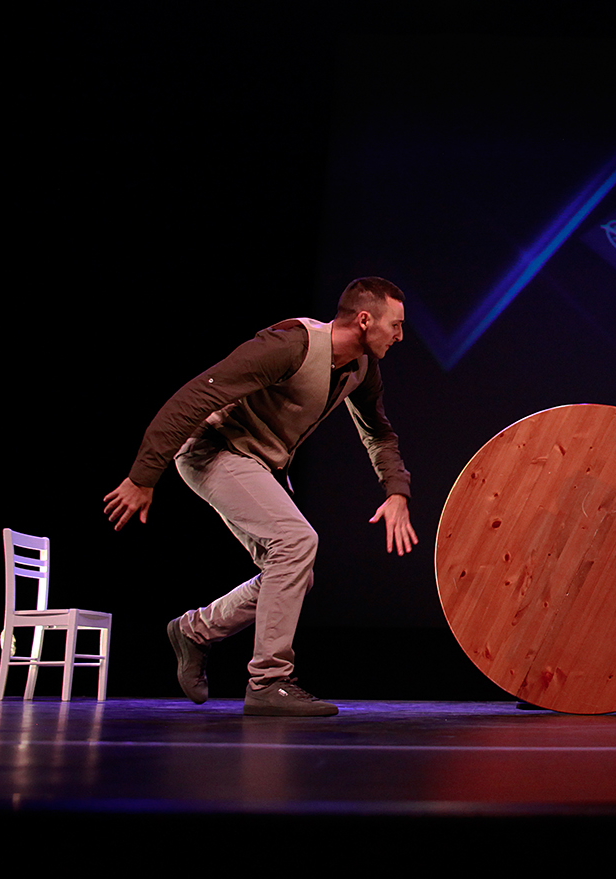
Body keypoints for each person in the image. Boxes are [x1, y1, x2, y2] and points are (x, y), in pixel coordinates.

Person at [103, 278, 418, 717]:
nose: (400, 336)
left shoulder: (362, 368)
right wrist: (143, 476)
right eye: (395, 325)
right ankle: (269, 681)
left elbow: (378, 434)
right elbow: (198, 395)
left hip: (260, 462)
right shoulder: (289, 345)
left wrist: (396, 491)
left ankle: (194, 631)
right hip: (215, 450)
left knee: (293, 575)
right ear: (365, 320)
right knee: (297, 543)